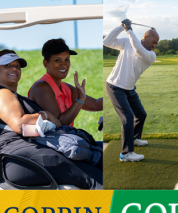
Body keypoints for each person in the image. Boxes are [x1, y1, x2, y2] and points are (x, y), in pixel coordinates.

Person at [0, 49, 102, 189]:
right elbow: (19, 124)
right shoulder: (2, 93)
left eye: (17, 66)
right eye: (7, 65)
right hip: (21, 159)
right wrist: (46, 115)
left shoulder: (15, 96)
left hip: (28, 156)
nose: (14, 69)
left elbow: (25, 129)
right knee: (93, 179)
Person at [103, 19, 159, 162]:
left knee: (141, 114)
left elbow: (138, 49)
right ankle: (126, 153)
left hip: (129, 88)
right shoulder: (127, 42)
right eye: (154, 41)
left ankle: (134, 139)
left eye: (156, 43)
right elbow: (107, 42)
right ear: (145, 37)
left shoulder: (151, 55)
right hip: (115, 86)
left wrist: (129, 30)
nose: (155, 45)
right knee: (127, 118)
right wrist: (121, 27)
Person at [28, 38, 103, 127]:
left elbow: (95, 105)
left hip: (65, 138)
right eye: (57, 60)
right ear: (45, 64)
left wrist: (118, 92)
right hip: (50, 140)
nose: (64, 64)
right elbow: (60, 123)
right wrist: (80, 100)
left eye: (67, 59)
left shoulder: (66, 88)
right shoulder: (41, 87)